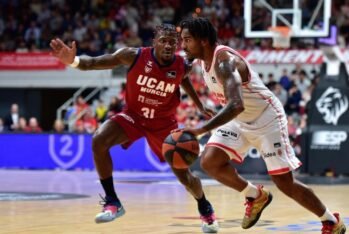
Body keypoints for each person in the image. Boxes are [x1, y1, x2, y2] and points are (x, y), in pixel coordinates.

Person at [178, 17, 346, 234]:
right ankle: (255, 196)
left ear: (203, 41)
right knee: (210, 162)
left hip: (267, 119)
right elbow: (179, 73)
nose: (183, 45)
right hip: (239, 121)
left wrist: (202, 128)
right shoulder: (199, 58)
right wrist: (199, 105)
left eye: (187, 40)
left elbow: (236, 105)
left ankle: (331, 221)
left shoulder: (225, 62)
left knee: (284, 182)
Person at [50, 24, 219, 233]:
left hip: (163, 123)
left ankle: (205, 208)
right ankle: (112, 201)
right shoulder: (131, 56)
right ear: (154, 42)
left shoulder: (182, 65)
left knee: (184, 176)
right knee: (98, 140)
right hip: (133, 116)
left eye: (172, 42)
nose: (168, 45)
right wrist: (73, 61)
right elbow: (93, 63)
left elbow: (183, 80)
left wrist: (199, 104)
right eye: (164, 41)